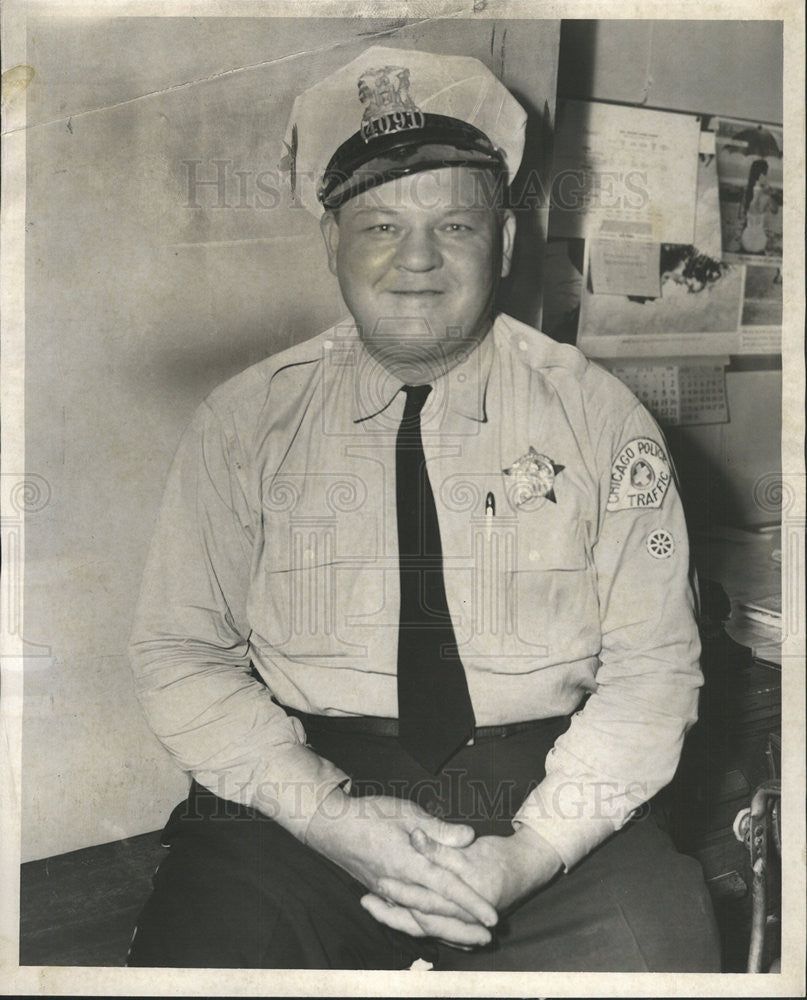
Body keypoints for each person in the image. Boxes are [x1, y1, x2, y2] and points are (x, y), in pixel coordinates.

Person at [127, 46, 720, 972]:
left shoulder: (601, 417)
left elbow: (654, 673)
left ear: (507, 243)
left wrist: (526, 856)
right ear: (331, 243)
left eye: (455, 225)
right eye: (377, 226)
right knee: (202, 960)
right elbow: (180, 656)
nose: (415, 261)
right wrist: (328, 818)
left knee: (660, 960)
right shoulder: (244, 421)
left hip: (551, 787)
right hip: (299, 790)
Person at [739, 158, 777, 254]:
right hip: (760, 240)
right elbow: (775, 210)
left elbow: (740, 216)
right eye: (766, 173)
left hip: (746, 238)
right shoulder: (766, 196)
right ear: (762, 175)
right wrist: (769, 191)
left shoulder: (747, 193)